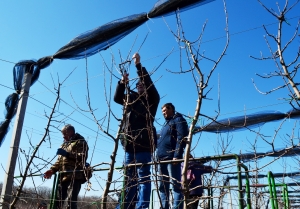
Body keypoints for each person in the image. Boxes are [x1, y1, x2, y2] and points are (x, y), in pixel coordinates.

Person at [114, 52, 160, 209]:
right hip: (129, 146)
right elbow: (117, 98)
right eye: (137, 85)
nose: (139, 86)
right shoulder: (131, 101)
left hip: (144, 146)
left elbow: (151, 85)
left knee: (144, 179)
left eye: (142, 85)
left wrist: (138, 66)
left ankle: (141, 207)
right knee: (129, 179)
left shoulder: (151, 102)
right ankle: (126, 206)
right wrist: (121, 83)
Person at [44, 124, 89, 209]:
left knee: (71, 202)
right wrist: (52, 170)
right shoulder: (64, 145)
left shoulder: (81, 142)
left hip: (75, 176)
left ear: (71, 132)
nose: (63, 137)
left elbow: (83, 157)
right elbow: (59, 161)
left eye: (64, 134)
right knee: (57, 201)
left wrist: (67, 154)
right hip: (63, 177)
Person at [157, 103, 188, 209]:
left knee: (175, 185)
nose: (163, 113)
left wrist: (177, 155)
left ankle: (177, 207)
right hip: (161, 159)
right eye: (162, 111)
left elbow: (181, 137)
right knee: (162, 187)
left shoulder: (179, 120)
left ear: (171, 109)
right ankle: (163, 207)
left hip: (171, 158)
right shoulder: (166, 124)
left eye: (165, 110)